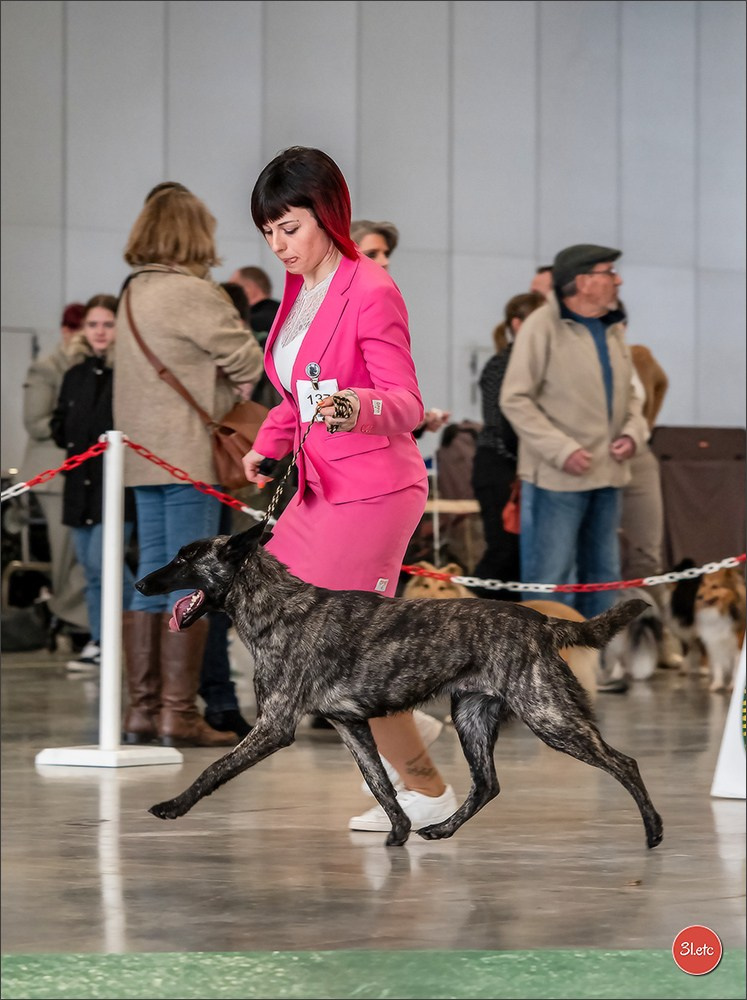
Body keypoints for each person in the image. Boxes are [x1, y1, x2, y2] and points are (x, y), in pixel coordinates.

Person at [242, 146, 457, 832]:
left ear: (327, 217)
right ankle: (410, 731)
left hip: (371, 489)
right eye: (268, 232)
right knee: (277, 621)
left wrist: (354, 408)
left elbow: (404, 401)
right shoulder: (300, 294)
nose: (279, 245)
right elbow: (299, 391)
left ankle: (427, 791)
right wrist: (270, 441)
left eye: (290, 227)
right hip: (316, 488)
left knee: (343, 653)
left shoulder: (370, 288)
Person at [114, 184, 264, 747]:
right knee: (193, 576)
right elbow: (248, 359)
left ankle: (143, 712)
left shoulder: (131, 292)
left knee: (150, 575)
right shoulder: (194, 293)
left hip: (139, 459)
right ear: (194, 232)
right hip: (187, 458)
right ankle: (179, 712)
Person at [500, 244, 648, 620]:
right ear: (582, 282)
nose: (619, 280)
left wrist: (632, 433)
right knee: (550, 581)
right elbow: (515, 399)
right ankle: (544, 672)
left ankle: (594, 670)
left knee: (604, 578)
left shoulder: (612, 328)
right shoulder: (541, 326)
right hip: (556, 479)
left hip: (608, 476)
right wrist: (562, 449)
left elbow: (632, 396)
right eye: (608, 272)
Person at [51, 295, 136, 670]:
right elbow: (59, 425)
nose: (100, 332)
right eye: (93, 325)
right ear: (83, 330)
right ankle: (103, 640)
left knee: (109, 565)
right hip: (78, 486)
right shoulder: (75, 374)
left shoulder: (129, 373)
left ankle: (138, 637)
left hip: (115, 487)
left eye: (107, 324)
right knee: (90, 571)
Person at [18, 302, 90, 649]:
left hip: (82, 470)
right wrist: (79, 426)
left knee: (82, 554)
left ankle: (79, 622)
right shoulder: (47, 368)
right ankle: (74, 622)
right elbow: (35, 422)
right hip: (53, 473)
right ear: (66, 331)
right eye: (82, 329)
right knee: (66, 554)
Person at [471, 291, 545, 599]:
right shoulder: (500, 365)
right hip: (499, 466)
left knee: (520, 553)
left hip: (525, 464)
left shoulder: (535, 363)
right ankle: (471, 613)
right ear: (518, 323)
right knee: (504, 549)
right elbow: (502, 424)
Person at [350, 218, 451, 437]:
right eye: (372, 254)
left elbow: (391, 389)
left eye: (386, 253)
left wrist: (418, 420)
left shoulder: (380, 299)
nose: (384, 261)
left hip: (370, 442)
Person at [228, 265, 281, 340]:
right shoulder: (286, 312)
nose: (227, 295)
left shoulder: (248, 324)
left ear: (248, 288)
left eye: (232, 289)